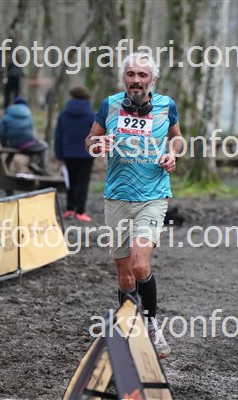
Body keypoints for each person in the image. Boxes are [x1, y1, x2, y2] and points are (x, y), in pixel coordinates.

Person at [85, 52, 183, 358]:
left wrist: (172, 153)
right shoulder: (110, 105)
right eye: (131, 74)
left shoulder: (166, 106)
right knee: (125, 274)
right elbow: (90, 140)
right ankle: (130, 329)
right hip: (117, 196)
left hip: (153, 196)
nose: (136, 80)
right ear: (123, 78)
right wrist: (97, 144)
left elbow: (177, 138)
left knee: (140, 265)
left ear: (153, 79)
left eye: (142, 75)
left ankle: (151, 327)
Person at [54, 86, 95, 222]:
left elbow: (58, 135)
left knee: (70, 181)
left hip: (68, 153)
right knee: (83, 182)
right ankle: (80, 211)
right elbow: (95, 135)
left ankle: (69, 209)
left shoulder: (63, 114)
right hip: (86, 154)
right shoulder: (91, 115)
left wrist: (59, 154)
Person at [0, 96, 49, 174]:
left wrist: (4, 145)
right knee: (44, 146)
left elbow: (1, 132)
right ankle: (41, 167)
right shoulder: (28, 116)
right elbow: (31, 131)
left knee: (13, 152)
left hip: (12, 143)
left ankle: (4, 169)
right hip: (27, 143)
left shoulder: (7, 115)